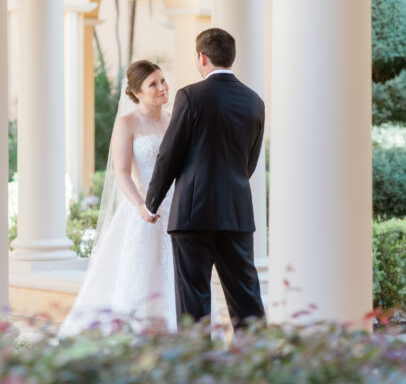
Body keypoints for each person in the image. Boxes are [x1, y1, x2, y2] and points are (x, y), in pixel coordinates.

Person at [59, 60, 215, 336]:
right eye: (153, 84)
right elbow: (121, 172)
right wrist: (141, 205)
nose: (162, 87)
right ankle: (139, 333)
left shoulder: (175, 119)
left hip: (178, 210)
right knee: (142, 272)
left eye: (163, 80)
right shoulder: (127, 123)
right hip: (143, 209)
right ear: (136, 93)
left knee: (182, 274)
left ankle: (183, 334)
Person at [145, 28, 266, 329]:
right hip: (237, 215)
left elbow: (169, 154)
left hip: (192, 214)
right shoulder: (255, 101)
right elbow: (248, 163)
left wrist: (151, 202)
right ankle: (258, 356)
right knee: (247, 300)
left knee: (193, 305)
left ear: (202, 57)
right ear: (231, 57)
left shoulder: (190, 96)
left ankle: (197, 358)